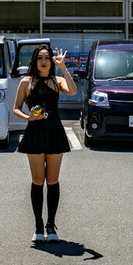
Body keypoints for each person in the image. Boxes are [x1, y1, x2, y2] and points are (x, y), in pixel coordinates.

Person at [13, 45, 77, 243]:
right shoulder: (26, 82)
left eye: (47, 58)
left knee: (53, 180)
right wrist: (28, 117)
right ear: (35, 60)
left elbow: (73, 91)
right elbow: (15, 108)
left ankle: (51, 225)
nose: (44, 61)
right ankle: (38, 226)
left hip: (54, 131)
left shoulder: (57, 81)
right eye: (40, 57)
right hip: (35, 132)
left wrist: (64, 68)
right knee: (38, 180)